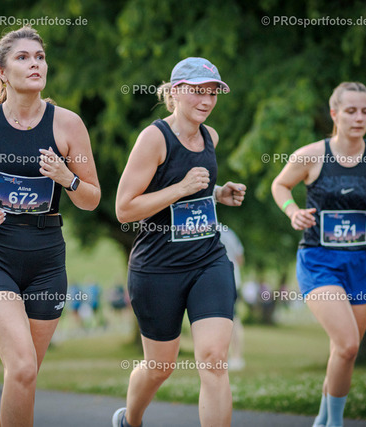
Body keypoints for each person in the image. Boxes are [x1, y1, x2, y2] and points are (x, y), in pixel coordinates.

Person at [0, 26, 100, 426]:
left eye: (40, 57)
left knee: (25, 375)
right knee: (23, 366)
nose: (35, 64)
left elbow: (91, 198)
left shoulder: (68, 125)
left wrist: (67, 178)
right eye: (23, 58)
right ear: (1, 72)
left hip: (47, 262)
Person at [113, 57, 245, 427]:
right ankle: (130, 419)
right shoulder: (154, 138)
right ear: (175, 92)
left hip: (208, 260)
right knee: (160, 366)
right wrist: (182, 188)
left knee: (214, 359)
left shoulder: (210, 137)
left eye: (212, 93)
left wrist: (217, 193)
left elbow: (194, 190)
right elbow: (125, 208)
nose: (206, 100)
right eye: (197, 91)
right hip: (158, 267)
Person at [271, 81, 366, 427]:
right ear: (335, 114)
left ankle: (322, 419)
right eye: (351, 111)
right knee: (347, 345)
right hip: (319, 262)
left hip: (361, 264)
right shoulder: (311, 155)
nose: (359, 118)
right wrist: (292, 211)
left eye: (365, 111)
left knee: (344, 352)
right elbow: (280, 185)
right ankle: (334, 423)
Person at [219, 225, 245, 370]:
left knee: (224, 320)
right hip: (233, 280)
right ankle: (236, 357)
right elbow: (240, 259)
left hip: (218, 281)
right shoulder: (229, 233)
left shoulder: (202, 231)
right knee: (234, 319)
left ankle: (231, 357)